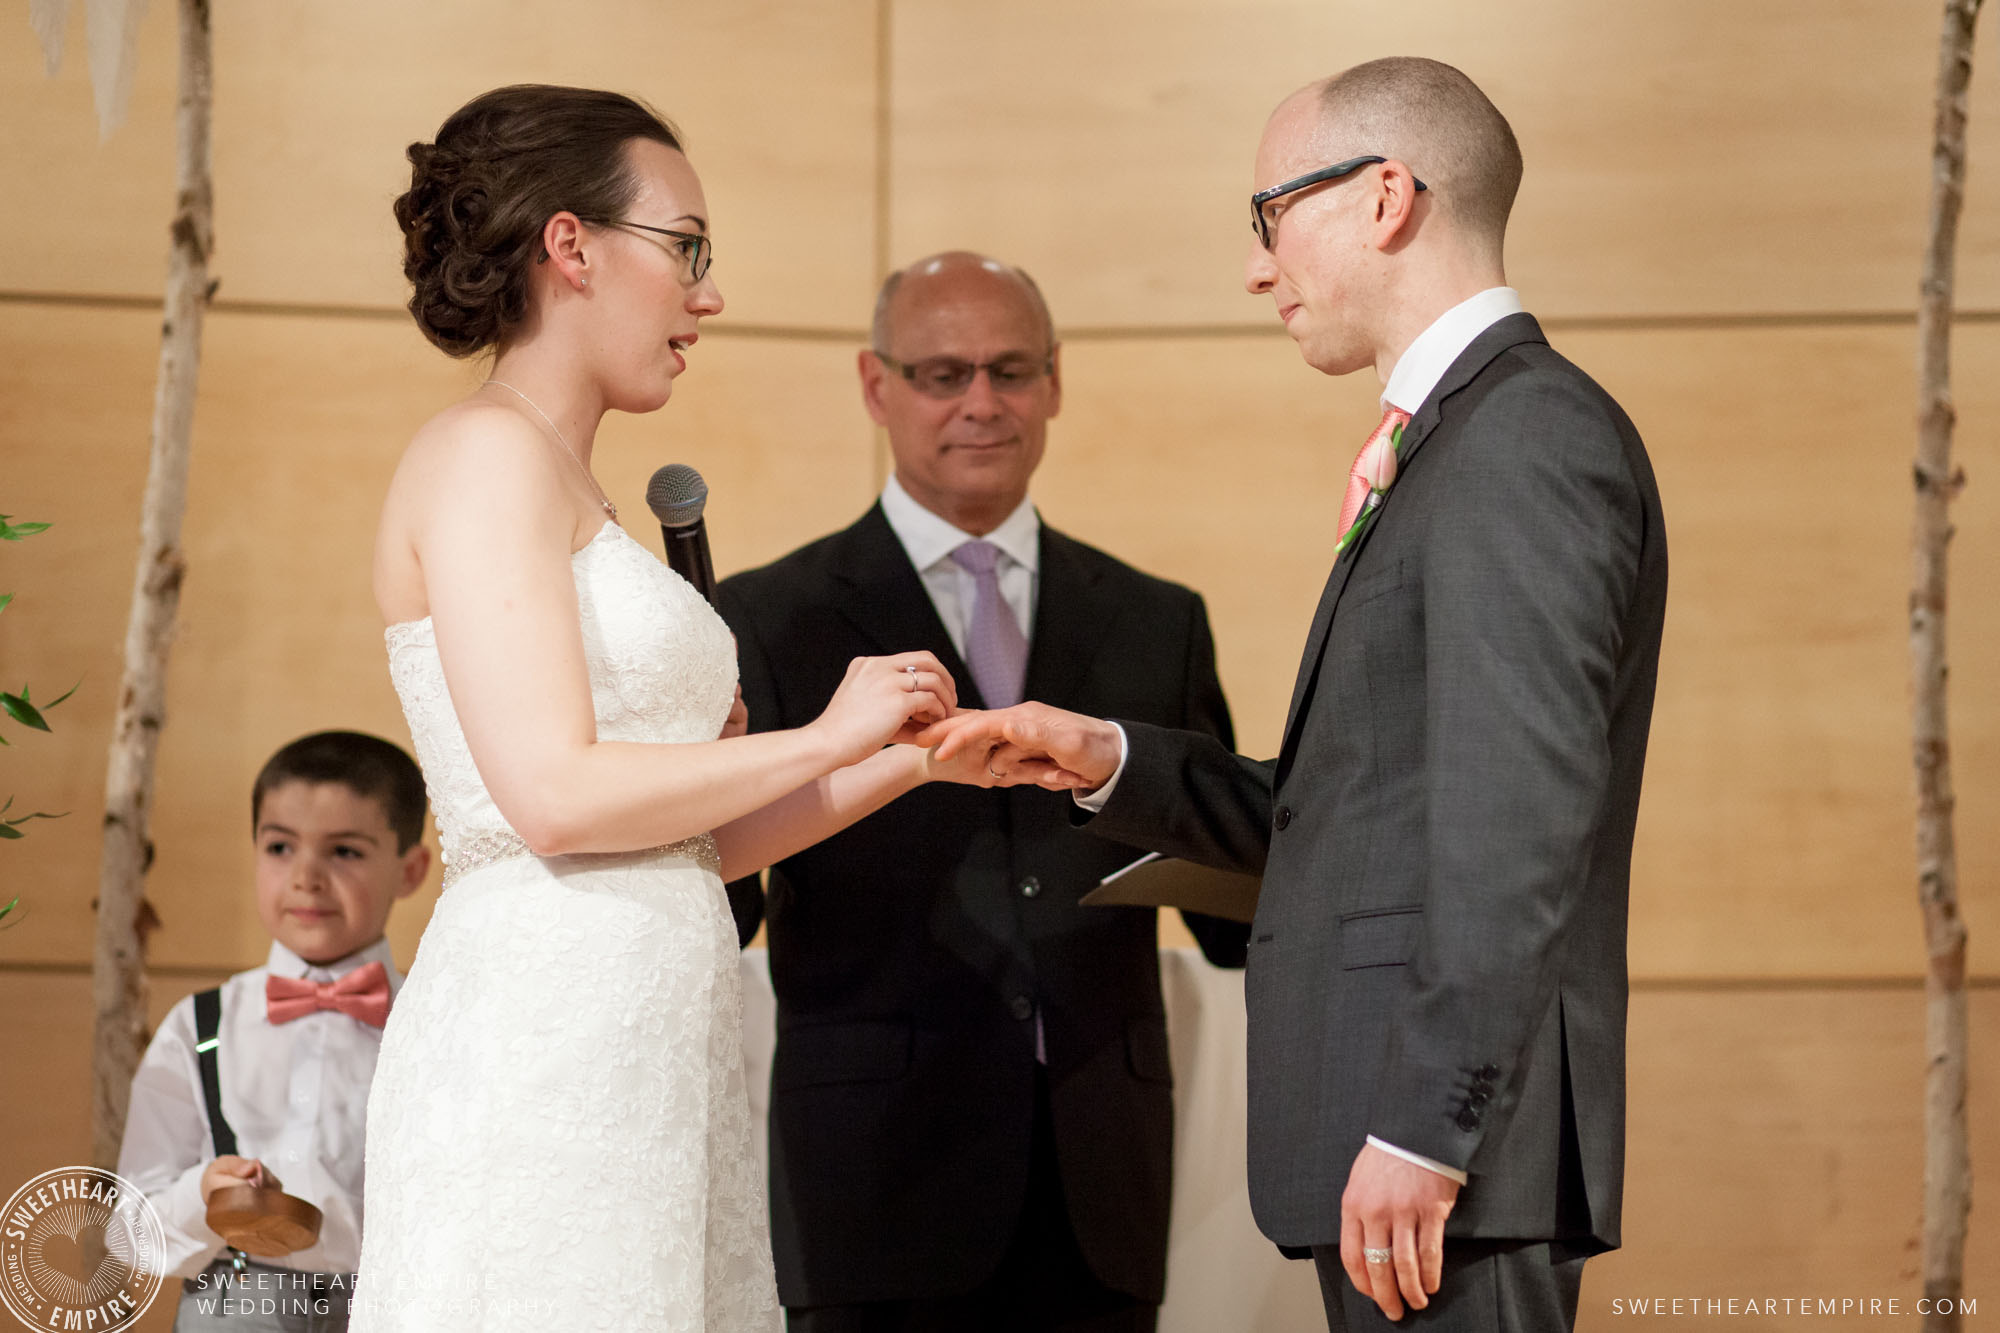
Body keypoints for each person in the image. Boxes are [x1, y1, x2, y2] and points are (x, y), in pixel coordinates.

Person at [924, 59, 1668, 1332]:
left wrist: (1429, 1129)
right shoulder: (1461, 438)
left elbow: (1519, 821)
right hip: (1408, 1150)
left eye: (1267, 214)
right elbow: (1355, 808)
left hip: (1444, 1162)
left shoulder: (1519, 441)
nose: (1257, 266)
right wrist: (1104, 757)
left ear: (1384, 197)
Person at [358, 86, 985, 1333]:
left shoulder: (562, 476)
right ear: (571, 247)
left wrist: (915, 763)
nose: (708, 294)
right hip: (541, 1039)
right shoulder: (483, 454)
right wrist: (821, 734)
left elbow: (688, 846)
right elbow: (549, 799)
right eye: (685, 247)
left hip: (641, 1042)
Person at [715, 251, 1251, 1333]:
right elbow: (717, 907)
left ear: (1054, 381)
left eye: (1010, 370)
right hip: (870, 1175)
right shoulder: (765, 616)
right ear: (876, 386)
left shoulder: (1159, 618)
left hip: (1098, 1172)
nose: (980, 402)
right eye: (940, 373)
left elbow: (1233, 900)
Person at [117, 731, 432, 1331]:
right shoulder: (200, 1025)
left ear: (410, 871)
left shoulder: (435, 1022)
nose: (306, 877)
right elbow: (131, 1234)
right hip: (235, 1299)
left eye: (345, 852)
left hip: (394, 1303)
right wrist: (202, 1195)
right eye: (280, 847)